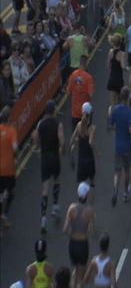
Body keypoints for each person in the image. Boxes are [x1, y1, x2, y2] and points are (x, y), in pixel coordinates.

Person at [33, 100, 64, 234]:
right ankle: (55, 206)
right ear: (54, 111)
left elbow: (35, 140)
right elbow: (61, 140)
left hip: (44, 157)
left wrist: (39, 148)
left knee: (45, 188)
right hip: (54, 156)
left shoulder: (40, 124)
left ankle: (43, 219)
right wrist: (62, 148)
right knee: (56, 180)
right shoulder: (58, 124)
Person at [110, 87, 131, 206]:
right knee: (127, 170)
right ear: (127, 98)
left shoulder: (115, 110)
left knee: (117, 171)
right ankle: (125, 193)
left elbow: (110, 126)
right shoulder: (129, 112)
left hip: (118, 145)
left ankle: (116, 187)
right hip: (127, 146)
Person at [63, 181, 95, 287]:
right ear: (86, 195)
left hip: (72, 244)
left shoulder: (71, 208)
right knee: (81, 277)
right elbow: (91, 231)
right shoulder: (89, 210)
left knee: (74, 270)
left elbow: (65, 229)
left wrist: (71, 232)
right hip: (83, 245)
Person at [70, 102, 98, 187]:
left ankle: (82, 198)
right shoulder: (92, 127)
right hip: (89, 159)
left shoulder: (79, 125)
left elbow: (71, 141)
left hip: (81, 160)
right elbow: (90, 142)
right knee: (92, 183)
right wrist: (97, 152)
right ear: (91, 114)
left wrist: (71, 155)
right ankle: (90, 199)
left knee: (81, 184)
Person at [0, 107, 18, 229]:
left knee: (0, 194)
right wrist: (14, 156)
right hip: (9, 169)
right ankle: (4, 214)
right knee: (11, 192)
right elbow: (15, 148)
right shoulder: (12, 131)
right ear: (9, 118)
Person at [67, 54, 94, 131]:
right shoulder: (89, 78)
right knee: (84, 134)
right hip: (85, 112)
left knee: (75, 133)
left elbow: (69, 92)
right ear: (86, 63)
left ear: (79, 63)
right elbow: (90, 94)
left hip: (75, 111)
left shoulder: (73, 75)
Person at [106, 33, 126, 125]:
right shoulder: (122, 54)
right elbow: (122, 66)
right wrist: (126, 68)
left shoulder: (110, 52)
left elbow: (108, 65)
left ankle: (111, 119)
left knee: (112, 103)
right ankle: (118, 119)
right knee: (119, 102)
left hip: (112, 79)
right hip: (119, 80)